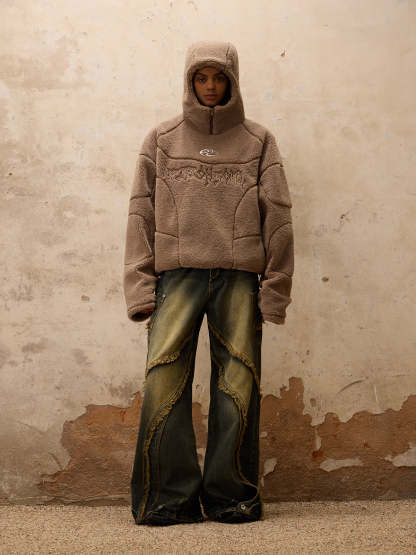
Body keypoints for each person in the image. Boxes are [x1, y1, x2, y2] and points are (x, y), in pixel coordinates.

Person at [122, 40, 294, 526]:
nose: (211, 86)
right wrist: (139, 286)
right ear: (189, 81)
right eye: (202, 77)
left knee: (238, 386)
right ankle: (166, 498)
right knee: (163, 382)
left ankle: (231, 496)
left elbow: (279, 218)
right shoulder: (162, 139)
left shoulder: (259, 141)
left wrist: (275, 289)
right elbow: (139, 214)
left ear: (233, 80)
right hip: (176, 278)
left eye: (220, 77)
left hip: (239, 280)